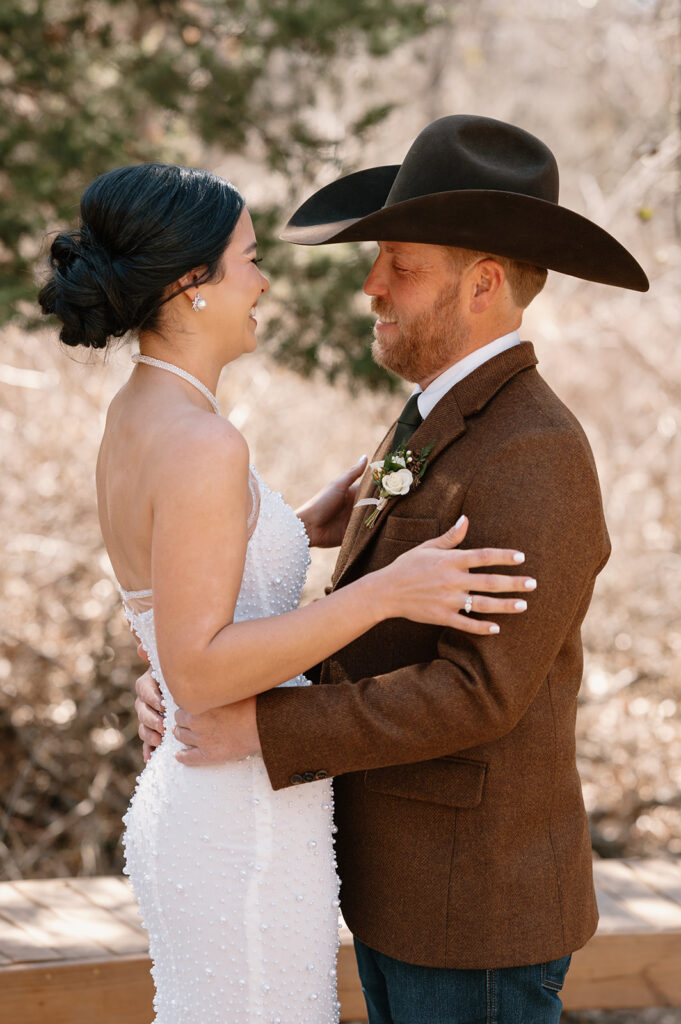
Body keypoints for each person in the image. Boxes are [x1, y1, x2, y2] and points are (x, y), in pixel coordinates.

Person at [136, 115, 649, 1023]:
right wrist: (199, 674)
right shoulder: (434, 416)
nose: (371, 286)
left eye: (399, 266)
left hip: (473, 904)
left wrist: (260, 723)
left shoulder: (534, 450)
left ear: (483, 283)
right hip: (399, 883)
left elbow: (477, 693)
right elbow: (365, 625)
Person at [38, 160, 535, 1024]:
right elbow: (197, 670)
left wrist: (294, 525)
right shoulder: (202, 444)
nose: (264, 281)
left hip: (206, 804)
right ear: (193, 285)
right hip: (241, 826)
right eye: (249, 259)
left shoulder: (141, 413)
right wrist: (383, 593)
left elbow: (179, 581)